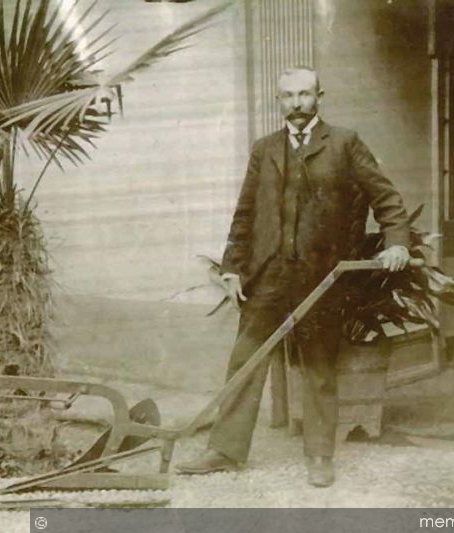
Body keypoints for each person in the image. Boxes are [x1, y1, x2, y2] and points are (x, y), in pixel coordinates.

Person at [175, 67, 412, 487]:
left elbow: (387, 197)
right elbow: (245, 213)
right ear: (279, 101)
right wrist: (232, 268)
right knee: (245, 359)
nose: (297, 103)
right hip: (268, 275)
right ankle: (225, 449)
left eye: (304, 94)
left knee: (318, 365)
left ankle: (319, 455)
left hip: (321, 276)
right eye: (288, 96)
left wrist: (397, 243)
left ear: (320, 96)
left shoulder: (344, 143)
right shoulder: (265, 149)